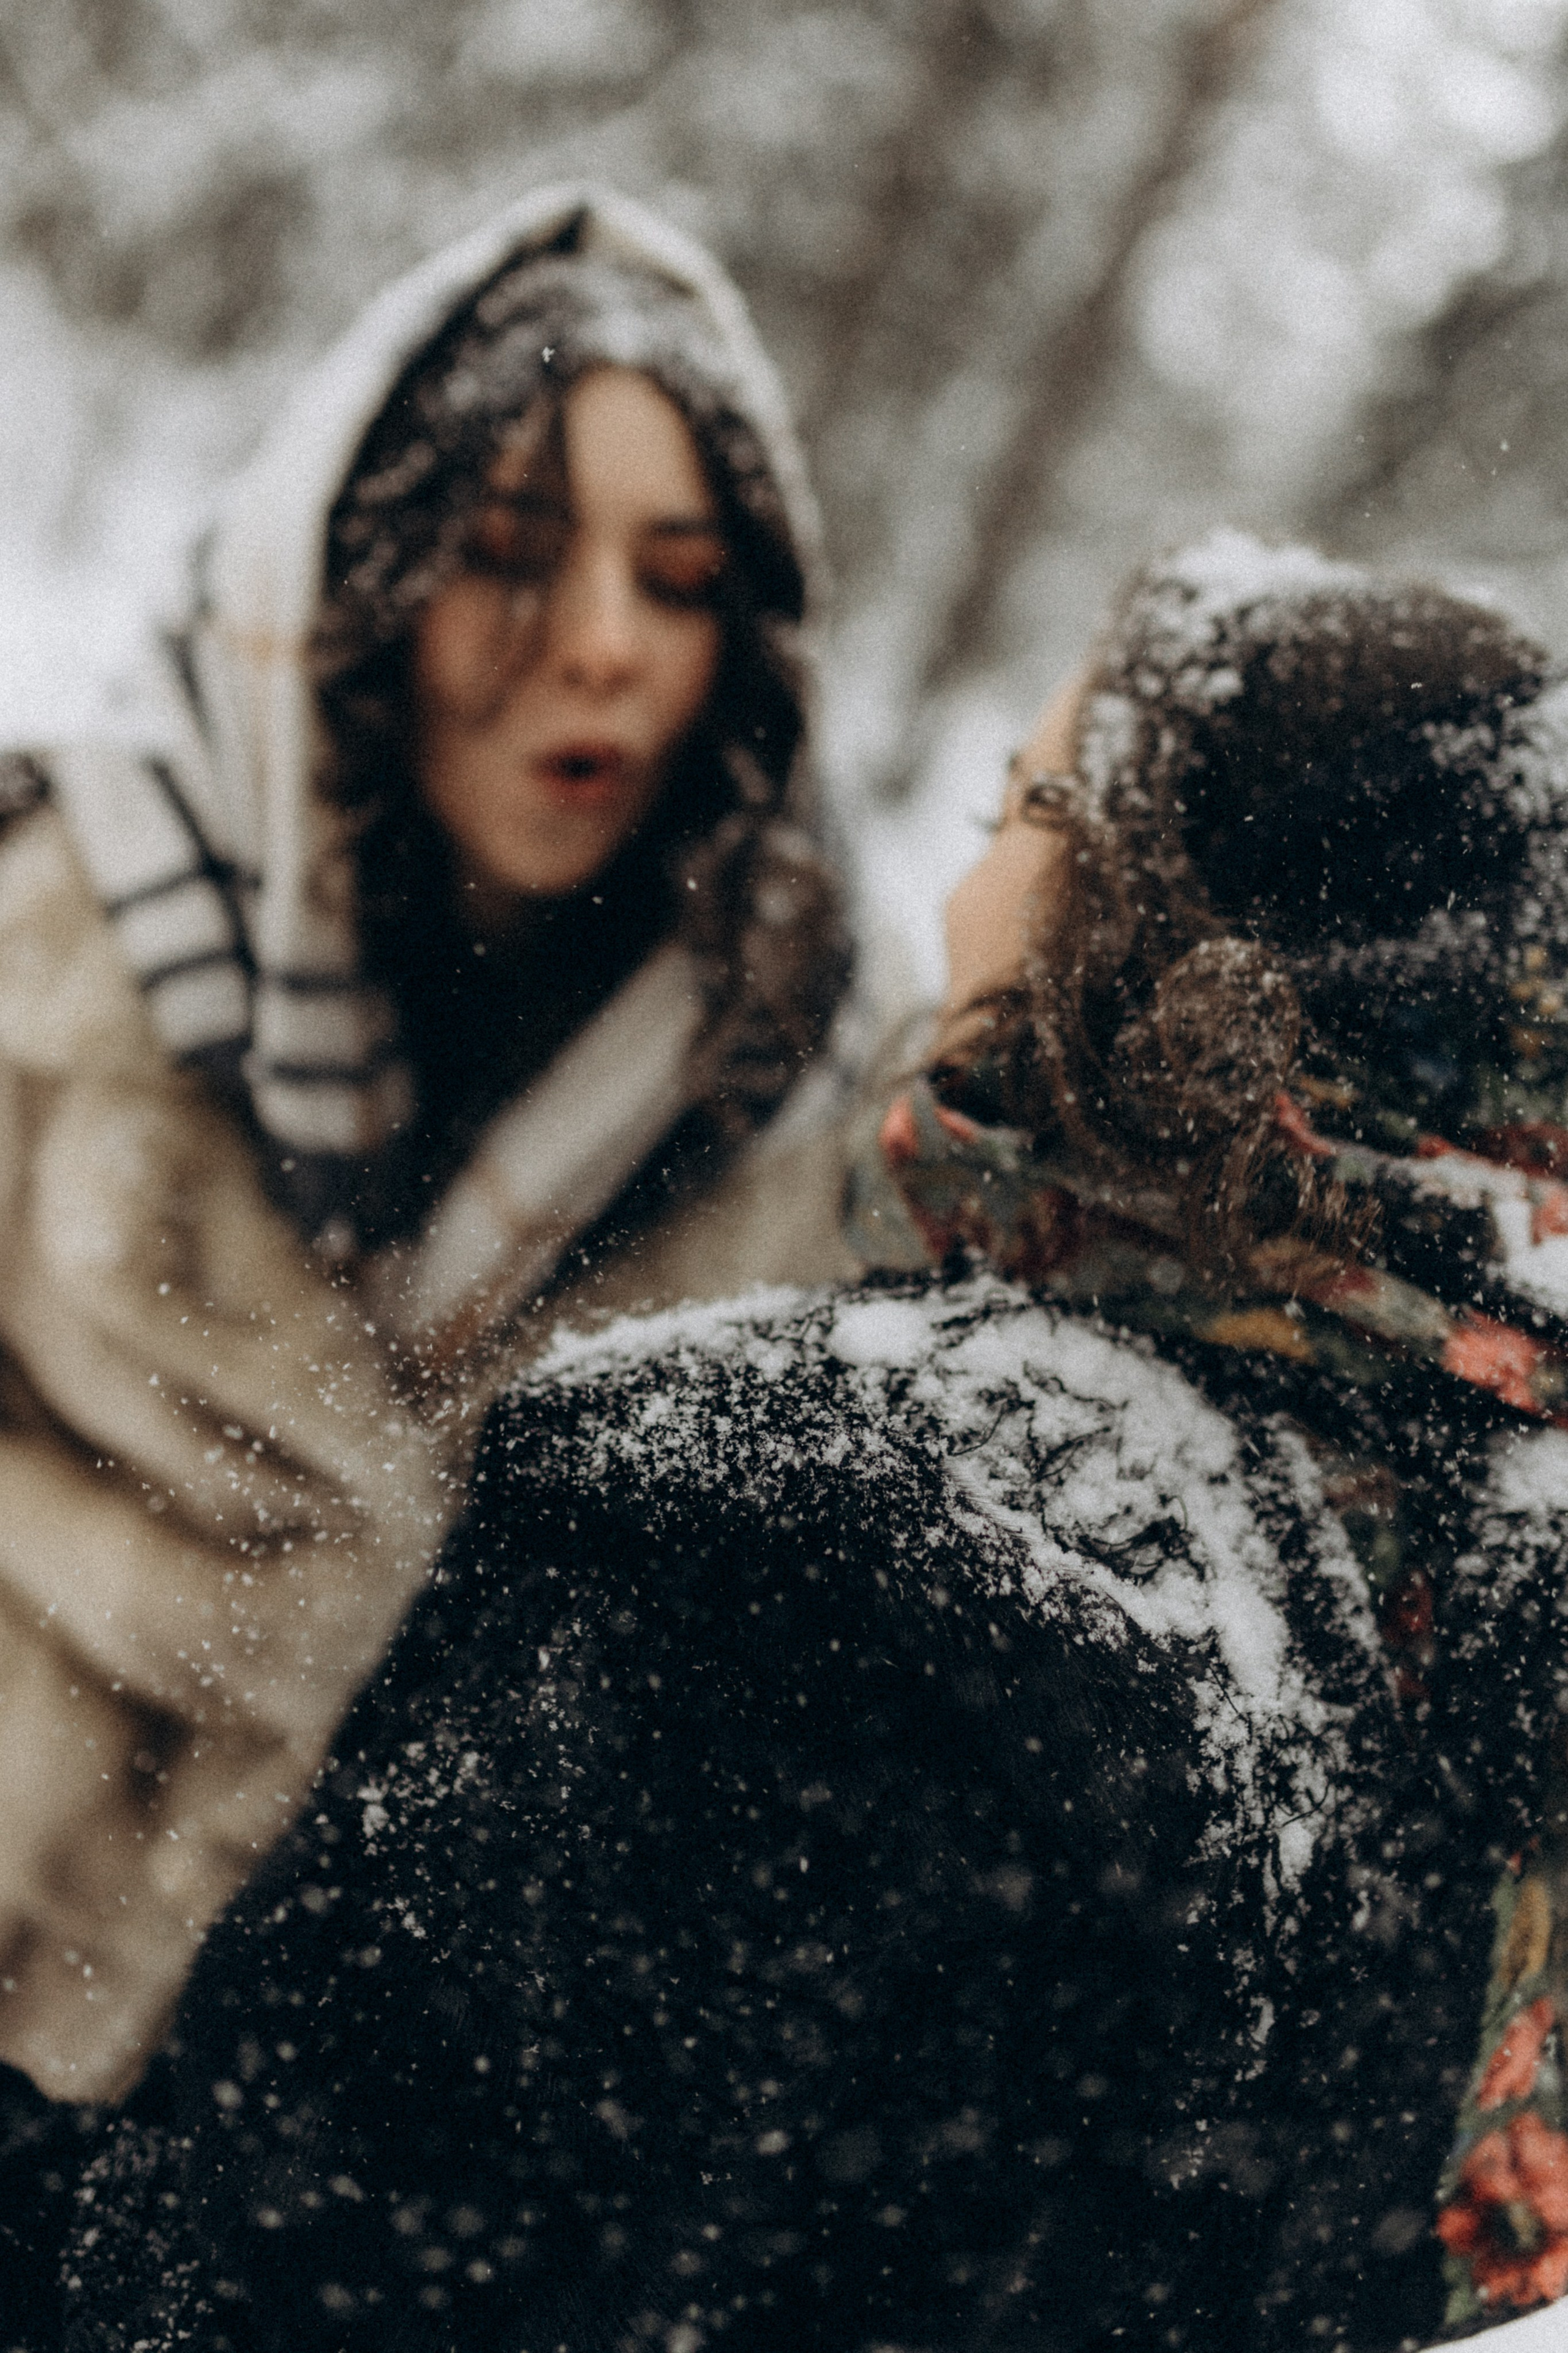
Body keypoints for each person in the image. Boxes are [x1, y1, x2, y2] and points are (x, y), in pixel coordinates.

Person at [61, 534, 1568, 2352]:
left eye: (1026, 809)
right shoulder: (1505, 1658)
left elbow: (251, 2278)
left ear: (1175, 942)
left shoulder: (795, 1520)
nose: (957, 895)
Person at [0, 181, 850, 2303]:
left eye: (681, 581)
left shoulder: (773, 1100)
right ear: (340, 582)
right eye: (503, 554)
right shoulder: (49, 927)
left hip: (305, 2179)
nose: (600, 647)